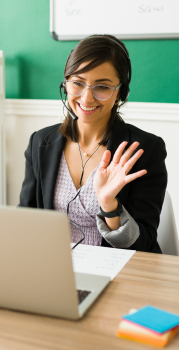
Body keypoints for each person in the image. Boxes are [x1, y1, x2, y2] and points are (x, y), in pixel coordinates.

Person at [18, 34, 167, 253]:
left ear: (120, 93)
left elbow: (144, 245)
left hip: (118, 273)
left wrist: (110, 206)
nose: (87, 98)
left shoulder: (144, 150)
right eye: (77, 83)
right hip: (53, 270)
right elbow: (25, 221)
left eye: (102, 87)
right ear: (65, 85)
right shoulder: (40, 143)